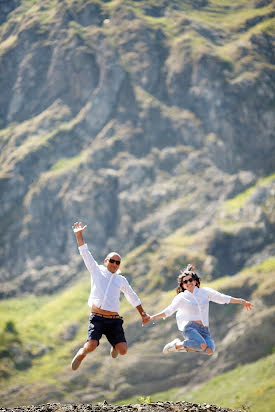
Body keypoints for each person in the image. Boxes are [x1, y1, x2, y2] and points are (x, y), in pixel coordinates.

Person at [71, 221, 150, 370]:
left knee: (123, 350)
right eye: (112, 261)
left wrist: (143, 314)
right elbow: (84, 252)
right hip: (97, 318)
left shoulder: (121, 280)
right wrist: (79, 234)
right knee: (92, 345)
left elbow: (132, 296)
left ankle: (114, 344)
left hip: (113, 320)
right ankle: (82, 353)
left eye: (118, 262)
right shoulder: (96, 270)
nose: (115, 264)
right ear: (106, 261)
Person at [148, 264, 254, 355]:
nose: (188, 283)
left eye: (190, 280)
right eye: (185, 282)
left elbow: (222, 298)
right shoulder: (181, 297)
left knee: (209, 350)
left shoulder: (205, 292)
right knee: (202, 345)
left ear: (195, 280)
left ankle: (180, 347)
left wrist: (241, 301)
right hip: (190, 328)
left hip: (204, 329)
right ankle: (176, 345)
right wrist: (153, 317)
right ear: (182, 285)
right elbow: (169, 310)